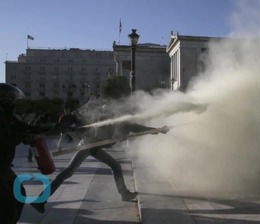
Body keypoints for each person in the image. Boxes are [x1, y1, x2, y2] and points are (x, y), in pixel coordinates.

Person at [31, 76, 169, 214]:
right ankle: (40, 200)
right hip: (90, 145)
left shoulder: (106, 109)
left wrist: (154, 131)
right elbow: (131, 126)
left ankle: (124, 193)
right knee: (68, 172)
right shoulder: (110, 111)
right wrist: (156, 130)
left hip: (92, 145)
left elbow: (127, 127)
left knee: (112, 166)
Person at [0, 83, 46, 223]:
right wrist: (19, 137)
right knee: (8, 206)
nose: (14, 103)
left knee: (19, 194)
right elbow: (3, 142)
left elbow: (25, 128)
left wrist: (51, 126)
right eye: (12, 99)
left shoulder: (8, 116)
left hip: (3, 167)